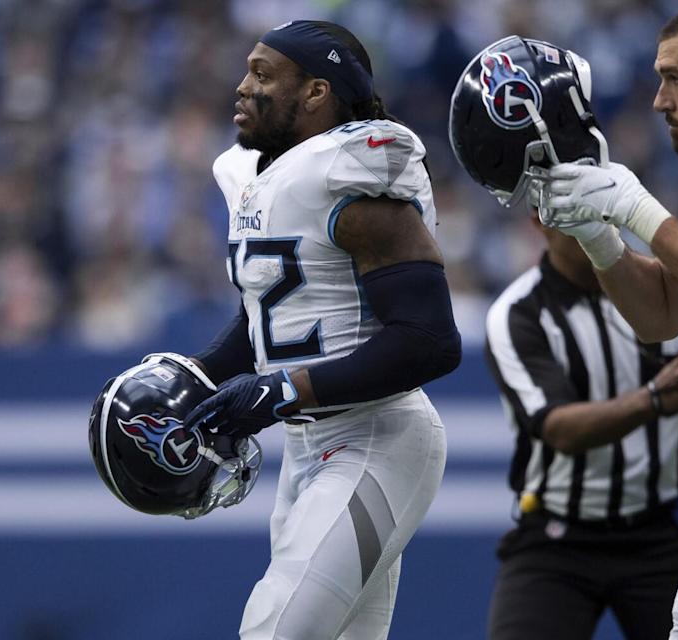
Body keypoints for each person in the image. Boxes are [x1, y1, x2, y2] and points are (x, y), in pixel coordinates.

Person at [179, 19, 462, 640]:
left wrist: (283, 392)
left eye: (262, 74)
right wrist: (193, 379)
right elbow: (274, 316)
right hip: (310, 451)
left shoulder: (351, 175)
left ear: (316, 92)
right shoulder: (267, 178)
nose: (241, 87)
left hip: (375, 440)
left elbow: (430, 339)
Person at [536, 3, 678, 638]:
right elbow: (663, 313)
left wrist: (636, 208)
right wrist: (600, 238)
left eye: (676, 78)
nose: (658, 100)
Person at [484, 213, 678, 640]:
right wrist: (652, 399)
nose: (590, 224)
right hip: (558, 537)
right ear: (538, 220)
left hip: (662, 533)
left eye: (597, 207)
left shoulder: (665, 285)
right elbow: (559, 428)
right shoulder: (518, 311)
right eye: (572, 212)